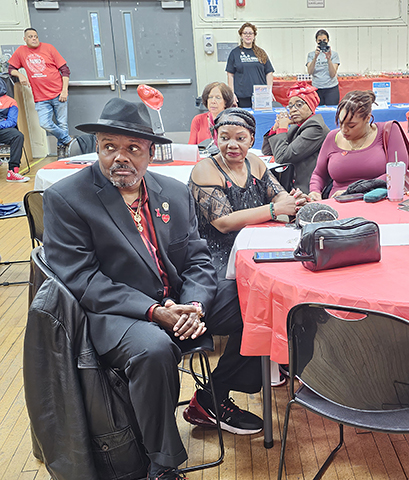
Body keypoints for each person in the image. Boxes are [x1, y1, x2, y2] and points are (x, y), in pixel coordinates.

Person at [42, 98, 263, 480]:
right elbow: (82, 278)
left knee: (256, 303)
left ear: (149, 152)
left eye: (132, 148)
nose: (120, 157)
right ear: (98, 147)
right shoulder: (68, 198)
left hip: (178, 303)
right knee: (154, 349)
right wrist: (154, 311)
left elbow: (197, 259)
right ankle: (162, 464)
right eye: (109, 146)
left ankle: (212, 397)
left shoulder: (173, 193)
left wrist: (194, 305)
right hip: (116, 313)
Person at [189, 108, 307, 273]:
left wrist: (291, 202)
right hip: (218, 253)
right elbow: (224, 223)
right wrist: (275, 209)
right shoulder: (206, 169)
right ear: (216, 139)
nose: (232, 145)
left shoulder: (253, 162)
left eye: (240, 138)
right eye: (224, 138)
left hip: (256, 242)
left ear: (251, 140)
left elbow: (278, 194)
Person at [309, 90, 409, 199]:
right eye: (340, 123)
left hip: (379, 200)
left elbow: (397, 172)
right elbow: (319, 174)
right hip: (338, 203)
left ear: (367, 118)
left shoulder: (389, 131)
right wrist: (315, 191)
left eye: (351, 125)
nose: (344, 129)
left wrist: (353, 191)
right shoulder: (332, 137)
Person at [9, 28, 72, 158]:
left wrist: (64, 90)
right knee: (45, 123)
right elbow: (11, 69)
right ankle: (69, 141)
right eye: (30, 37)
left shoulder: (49, 48)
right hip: (40, 97)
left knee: (62, 124)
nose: (34, 38)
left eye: (36, 36)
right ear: (25, 39)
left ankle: (62, 152)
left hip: (58, 93)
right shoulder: (21, 51)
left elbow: (65, 70)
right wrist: (20, 75)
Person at [261, 82, 329, 192]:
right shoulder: (297, 125)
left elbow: (282, 157)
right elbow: (268, 151)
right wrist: (275, 129)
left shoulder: (316, 127)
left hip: (308, 188)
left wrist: (283, 128)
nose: (293, 109)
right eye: (290, 106)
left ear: (311, 106)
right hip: (293, 185)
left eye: (299, 105)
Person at [226, 23, 274, 108]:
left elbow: (269, 72)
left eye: (250, 33)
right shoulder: (234, 53)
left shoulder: (261, 53)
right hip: (241, 97)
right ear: (241, 35)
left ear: (254, 36)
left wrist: (269, 91)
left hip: (260, 96)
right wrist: (232, 93)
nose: (248, 35)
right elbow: (230, 75)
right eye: (245, 33)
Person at [0, 80, 28, 183]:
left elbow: (11, 122)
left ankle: (12, 171)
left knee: (17, 136)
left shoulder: (10, 101)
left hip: (2, 130)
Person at [306, 29, 340, 105]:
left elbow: (332, 74)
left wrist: (328, 58)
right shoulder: (311, 55)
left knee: (331, 110)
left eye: (324, 40)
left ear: (328, 40)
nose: (322, 42)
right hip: (317, 88)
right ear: (316, 41)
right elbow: (310, 72)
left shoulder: (334, 54)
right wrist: (315, 57)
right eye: (319, 40)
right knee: (317, 111)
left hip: (331, 88)